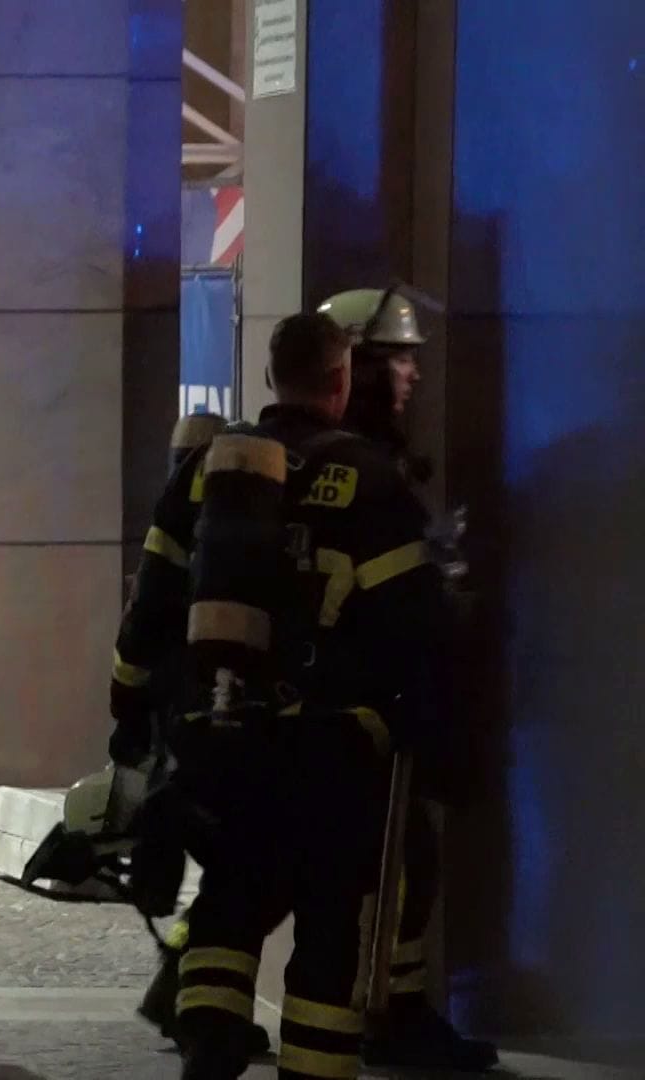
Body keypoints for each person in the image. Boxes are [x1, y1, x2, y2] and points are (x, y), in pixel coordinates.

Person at [110, 312, 445, 1080]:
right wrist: (418, 725)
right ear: (341, 380)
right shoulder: (370, 479)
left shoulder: (208, 469)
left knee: (231, 895)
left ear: (268, 379)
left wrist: (129, 712)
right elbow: (412, 623)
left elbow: (151, 606)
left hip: (221, 734)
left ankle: (209, 1040)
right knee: (331, 923)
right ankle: (315, 1068)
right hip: (330, 745)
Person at [318, 286, 498, 1071]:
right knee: (398, 863)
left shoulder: (316, 458)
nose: (412, 375)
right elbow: (386, 595)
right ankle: (391, 1016)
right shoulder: (359, 468)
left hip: (322, 700)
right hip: (357, 702)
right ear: (353, 365)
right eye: (397, 359)